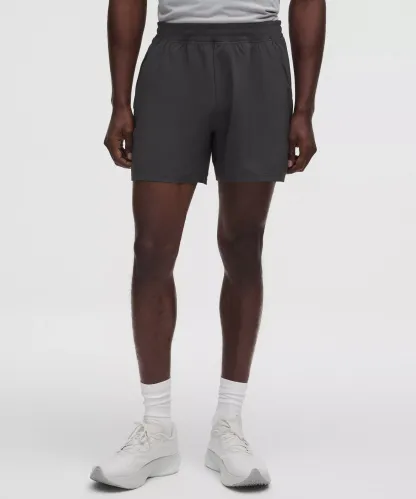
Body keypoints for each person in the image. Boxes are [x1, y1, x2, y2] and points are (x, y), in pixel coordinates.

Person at [90, 0, 325, 490]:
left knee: (242, 245)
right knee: (152, 249)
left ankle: (228, 425)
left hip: (259, 58)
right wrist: (119, 100)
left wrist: (304, 108)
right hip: (174, 59)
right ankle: (157, 428)